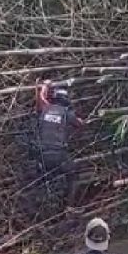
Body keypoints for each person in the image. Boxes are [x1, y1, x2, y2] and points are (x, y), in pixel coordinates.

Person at [35, 80, 85, 208]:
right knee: (73, 174)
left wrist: (44, 86)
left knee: (41, 178)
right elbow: (79, 124)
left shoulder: (45, 108)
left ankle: (39, 203)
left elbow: (40, 98)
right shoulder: (66, 113)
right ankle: (69, 206)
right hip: (58, 155)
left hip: (42, 155)